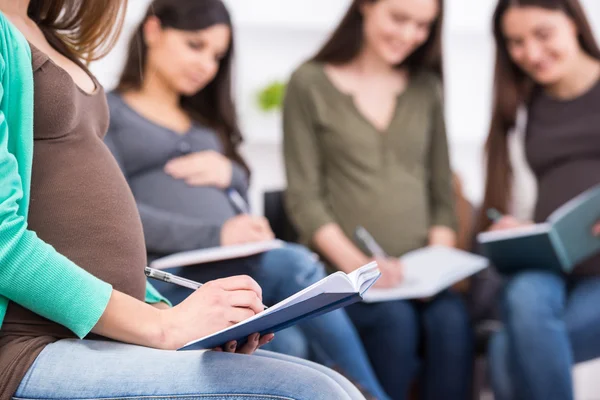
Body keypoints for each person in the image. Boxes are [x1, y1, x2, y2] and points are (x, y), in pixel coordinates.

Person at [0, 1, 370, 399]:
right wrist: (162, 327)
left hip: (113, 324)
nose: (206, 66)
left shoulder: (41, 29)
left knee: (335, 385)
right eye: (195, 46)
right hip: (32, 341)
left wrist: (169, 315)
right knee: (310, 391)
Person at [104, 1, 389, 399]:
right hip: (171, 276)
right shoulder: (108, 113)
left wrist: (232, 174)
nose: (206, 64)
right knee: (294, 262)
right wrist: (218, 233)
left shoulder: (207, 126)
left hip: (234, 268)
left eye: (217, 56)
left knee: (289, 346)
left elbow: (237, 197)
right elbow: (115, 215)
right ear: (153, 31)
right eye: (195, 45)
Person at [282, 0, 474, 399]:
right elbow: (305, 200)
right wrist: (362, 268)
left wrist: (435, 269)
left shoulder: (425, 88)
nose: (409, 35)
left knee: (451, 324)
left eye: (422, 25)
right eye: (399, 18)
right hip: (349, 275)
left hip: (419, 277)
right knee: (395, 321)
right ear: (366, 6)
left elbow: (442, 193)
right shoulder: (309, 83)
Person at [477, 1, 600, 399]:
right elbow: (532, 199)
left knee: (506, 347)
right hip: (555, 267)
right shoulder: (524, 105)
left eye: (542, 34)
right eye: (515, 42)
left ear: (574, 23)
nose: (530, 53)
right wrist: (520, 227)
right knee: (525, 295)